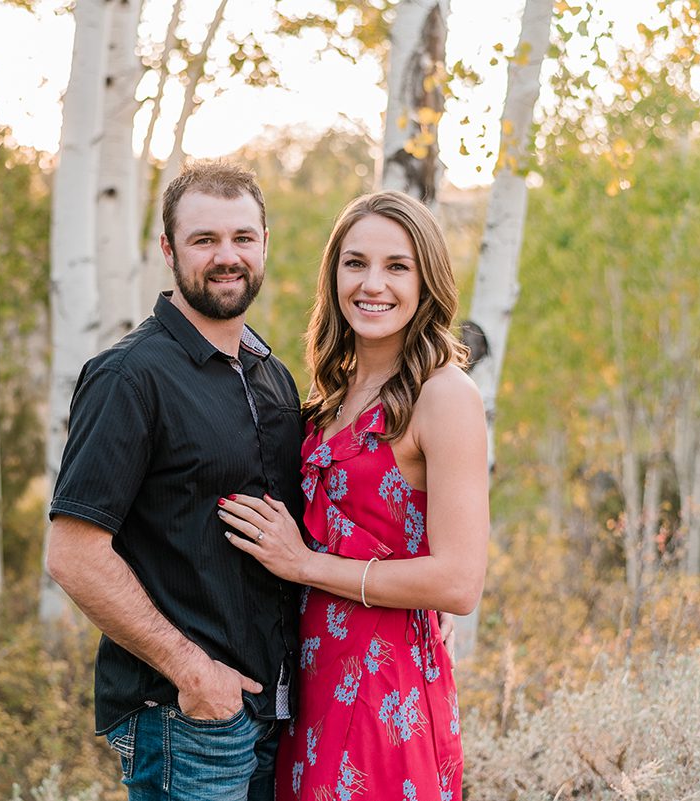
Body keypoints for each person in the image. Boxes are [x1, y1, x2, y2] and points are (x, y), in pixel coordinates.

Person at [45, 160, 305, 801]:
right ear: (168, 250)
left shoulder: (270, 374)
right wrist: (192, 671)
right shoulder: (128, 377)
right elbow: (73, 555)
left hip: (273, 714)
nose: (228, 257)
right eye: (204, 240)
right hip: (188, 717)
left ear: (265, 244)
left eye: (243, 238)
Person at [217, 191, 489, 801]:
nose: (373, 284)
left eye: (397, 266)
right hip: (309, 680)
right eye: (355, 262)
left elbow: (458, 583)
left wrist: (306, 565)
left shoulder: (445, 396)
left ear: (428, 280)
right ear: (333, 273)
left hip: (383, 690)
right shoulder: (332, 394)